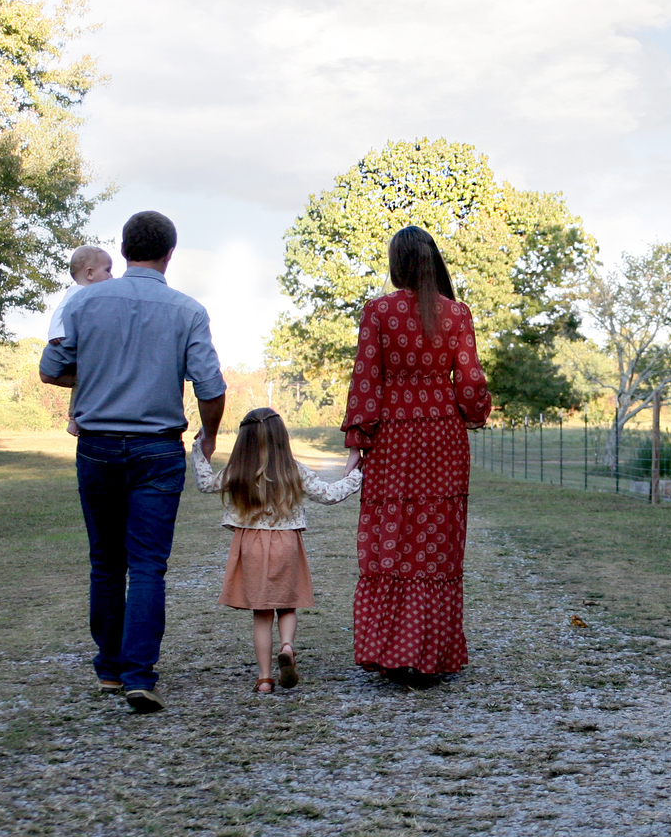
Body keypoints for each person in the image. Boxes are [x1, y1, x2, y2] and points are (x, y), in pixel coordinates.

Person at [39, 212, 226, 714]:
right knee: (147, 565)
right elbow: (210, 387)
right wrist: (208, 434)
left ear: (122, 251)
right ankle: (140, 675)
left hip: (97, 444)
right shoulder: (188, 311)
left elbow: (50, 369)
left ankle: (109, 667)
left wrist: (97, 374)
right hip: (158, 448)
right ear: (170, 254)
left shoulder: (84, 302)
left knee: (106, 560)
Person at [341, 226, 491, 687]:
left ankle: (391, 652)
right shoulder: (456, 314)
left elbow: (366, 380)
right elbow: (469, 384)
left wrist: (358, 441)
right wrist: (473, 411)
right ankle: (429, 654)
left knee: (391, 539)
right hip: (443, 439)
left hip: (392, 439)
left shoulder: (378, 312)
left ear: (397, 263)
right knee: (436, 545)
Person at [191, 408, 362, 694]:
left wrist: (199, 449)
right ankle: (287, 646)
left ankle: (264, 678)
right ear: (282, 437)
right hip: (286, 544)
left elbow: (206, 483)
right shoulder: (292, 469)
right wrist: (356, 475)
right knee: (287, 604)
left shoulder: (237, 469)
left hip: (250, 546)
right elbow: (330, 494)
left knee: (261, 613)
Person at [47, 245, 114, 436]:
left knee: (83, 381)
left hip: (82, 349)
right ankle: (74, 419)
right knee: (81, 380)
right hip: (70, 346)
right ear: (90, 273)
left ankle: (76, 419)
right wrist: (55, 334)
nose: (111, 275)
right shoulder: (78, 293)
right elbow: (60, 314)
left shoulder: (89, 295)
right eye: (107, 270)